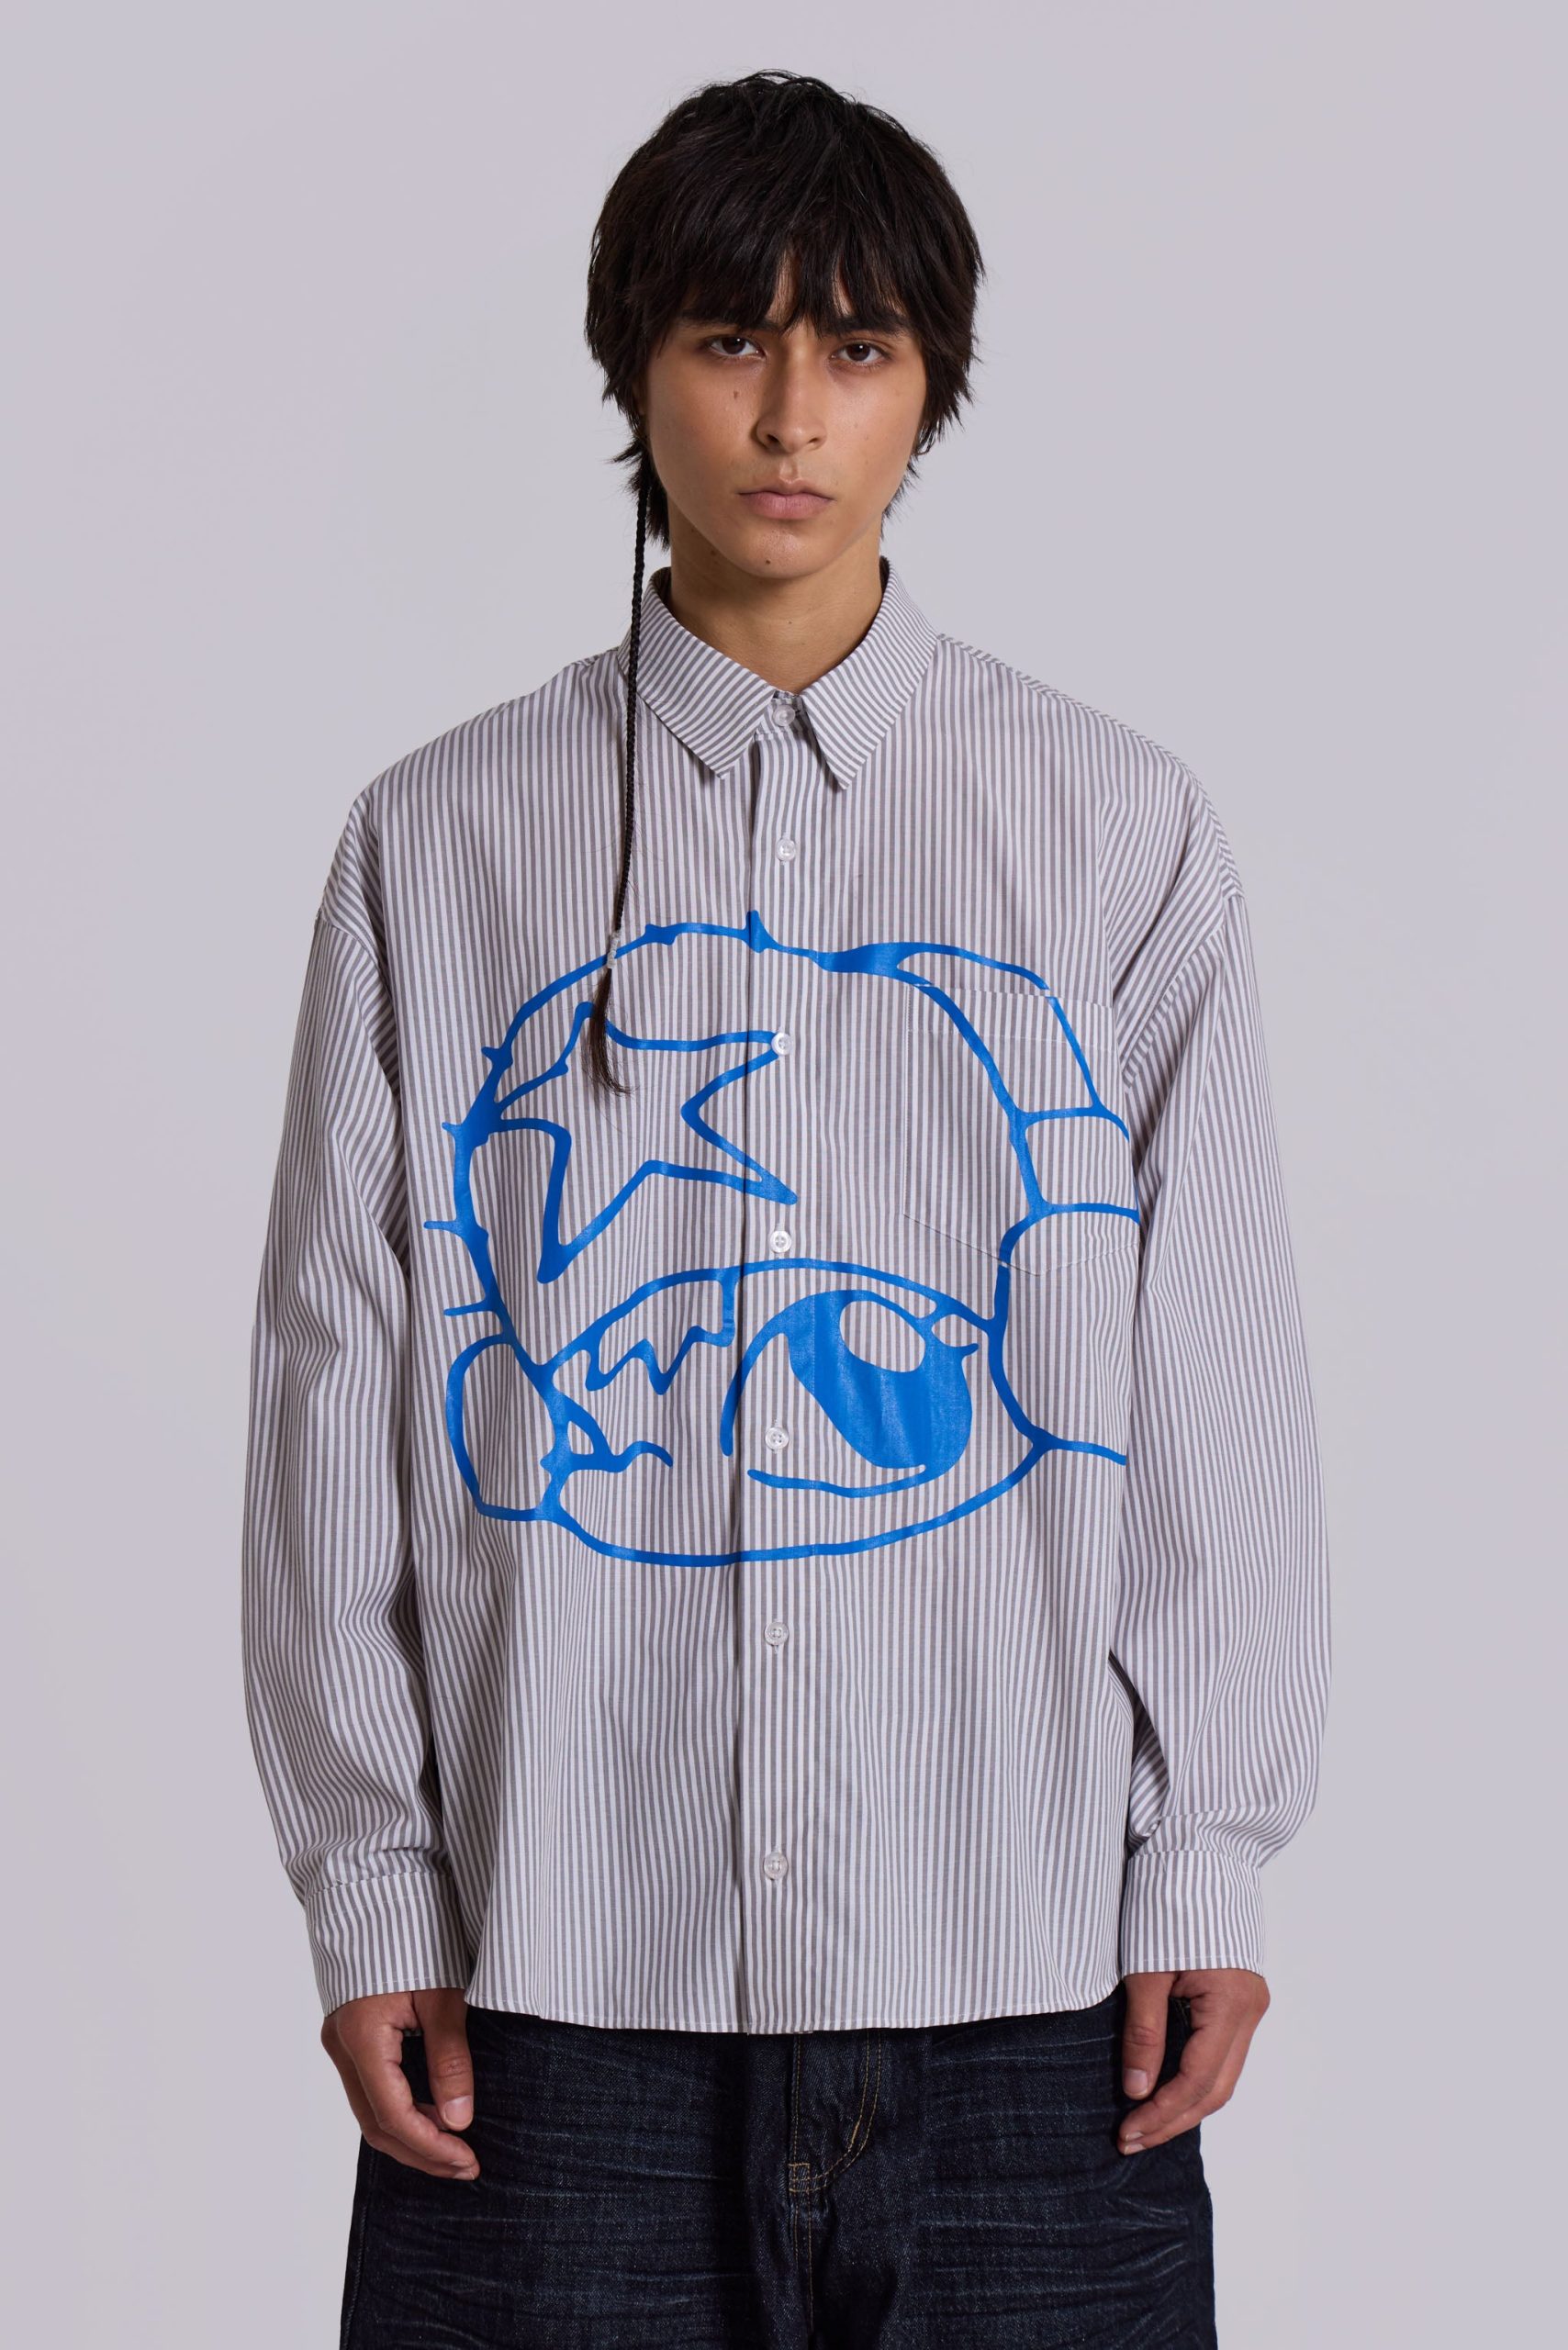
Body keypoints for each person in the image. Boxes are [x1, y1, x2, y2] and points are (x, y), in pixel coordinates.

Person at [241, 67, 1331, 2350]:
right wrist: (371, 1882)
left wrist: (1205, 1848)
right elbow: (334, 1384)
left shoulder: (1112, 828)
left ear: (929, 384)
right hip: (553, 2003)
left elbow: (1212, 1381)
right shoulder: (439, 842)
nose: (786, 414)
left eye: (854, 346)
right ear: (632, 363)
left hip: (1031, 1992)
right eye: (727, 336)